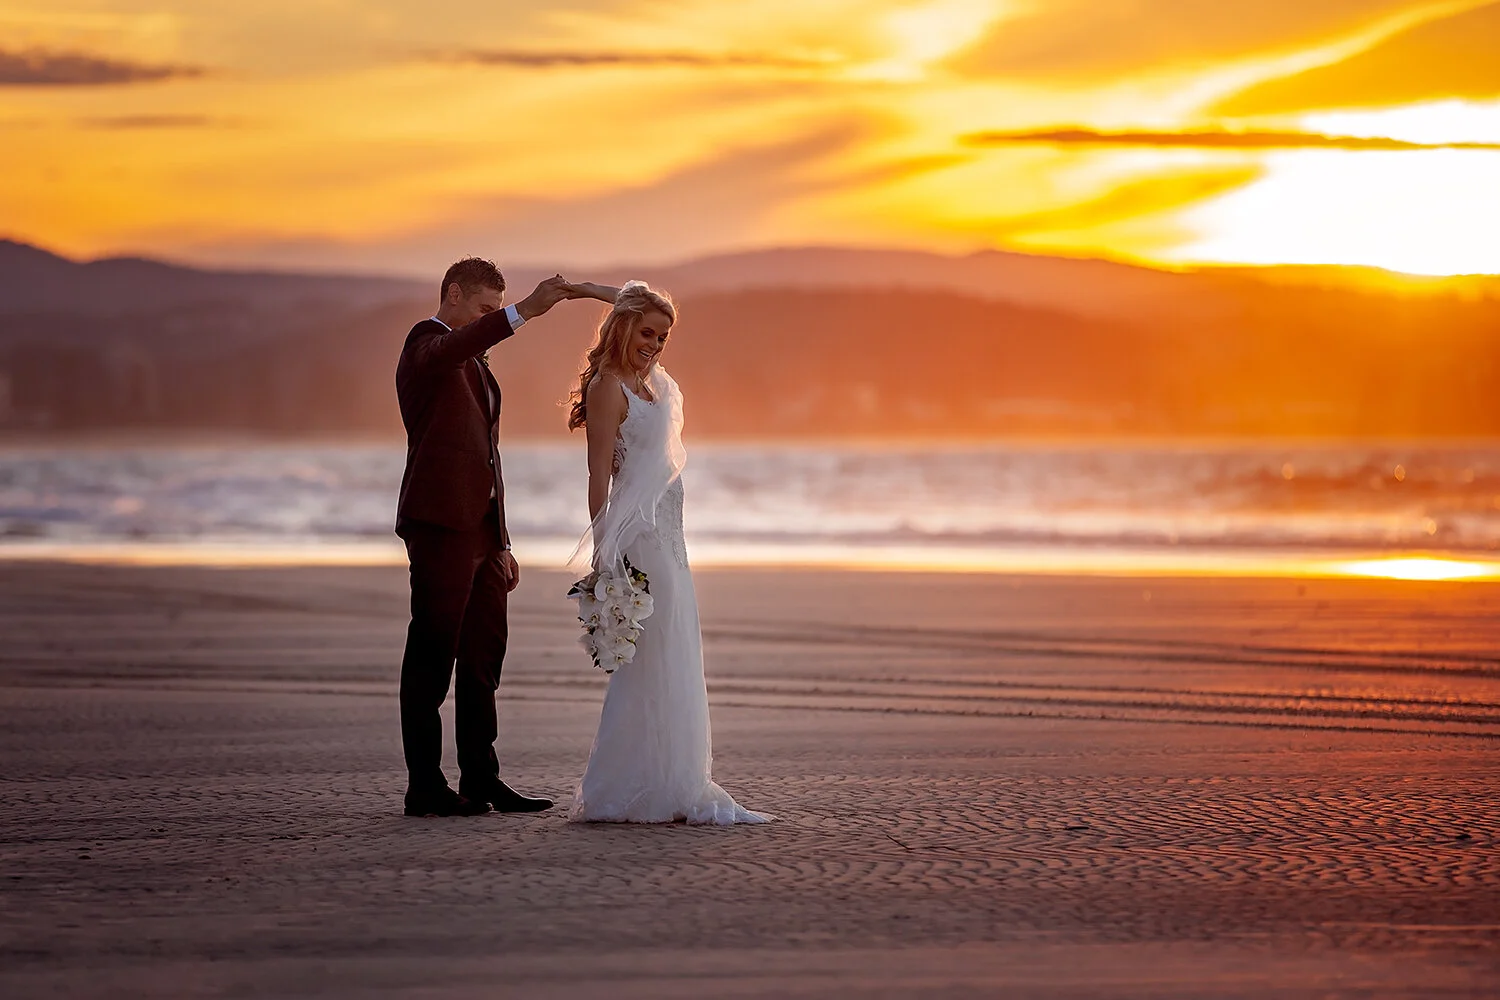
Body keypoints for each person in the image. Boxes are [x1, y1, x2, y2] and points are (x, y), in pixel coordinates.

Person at [563, 280, 772, 825]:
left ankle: (675, 779)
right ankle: (629, 785)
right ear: (624, 326)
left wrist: (588, 289)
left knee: (676, 648)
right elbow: (596, 476)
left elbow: (629, 293)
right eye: (647, 333)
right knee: (649, 657)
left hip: (672, 537)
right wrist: (604, 548)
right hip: (639, 537)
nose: (655, 344)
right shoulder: (609, 387)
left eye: (663, 336)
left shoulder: (649, 381)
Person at [394, 257, 579, 818]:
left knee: (482, 662)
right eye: (483, 310)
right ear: (452, 294)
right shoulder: (426, 344)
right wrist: (524, 312)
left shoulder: (473, 360)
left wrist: (501, 541)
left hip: (483, 535)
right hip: (440, 528)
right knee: (432, 658)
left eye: (495, 311)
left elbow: (486, 457)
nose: (489, 321)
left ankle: (481, 779)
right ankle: (425, 786)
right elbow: (451, 349)